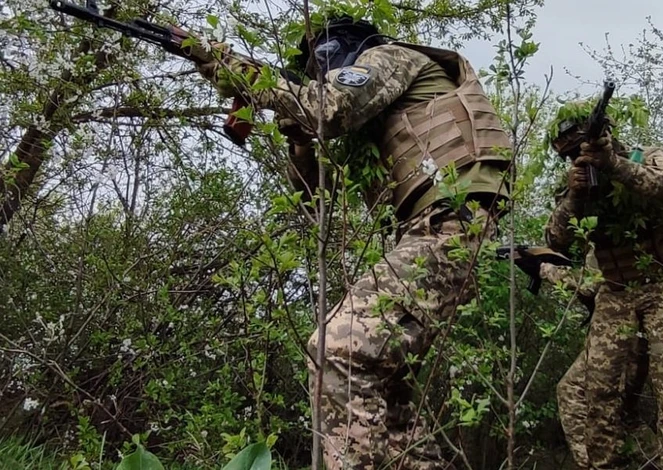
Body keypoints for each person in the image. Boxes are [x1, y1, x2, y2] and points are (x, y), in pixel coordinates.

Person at [195, 15, 512, 470]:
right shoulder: (373, 114)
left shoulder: (389, 58)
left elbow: (328, 108)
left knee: (336, 352)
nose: (317, 77)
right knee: (390, 395)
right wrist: (298, 135)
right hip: (437, 231)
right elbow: (312, 196)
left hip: (450, 223)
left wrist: (225, 63)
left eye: (317, 65)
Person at [541, 106, 663, 469]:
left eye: (581, 149)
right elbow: (555, 239)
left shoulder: (645, 157)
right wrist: (575, 196)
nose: (577, 157)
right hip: (615, 294)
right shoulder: (576, 184)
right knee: (600, 396)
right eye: (570, 154)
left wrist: (614, 165)